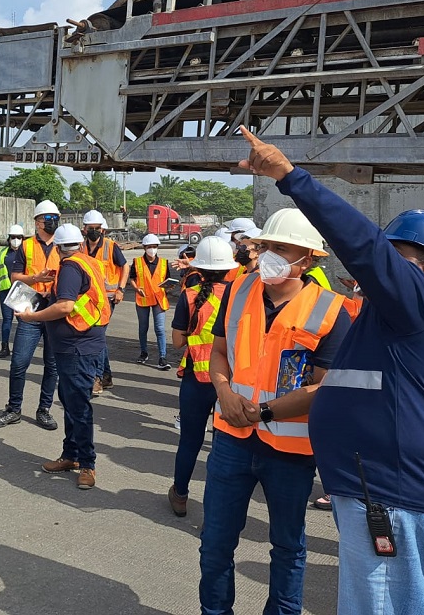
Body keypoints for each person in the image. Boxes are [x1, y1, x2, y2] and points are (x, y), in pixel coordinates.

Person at [239, 126, 424, 615]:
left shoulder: (417, 304)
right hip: (388, 500)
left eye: (398, 262)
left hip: (396, 503)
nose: (379, 274)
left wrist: (288, 175)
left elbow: (364, 246)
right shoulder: (397, 321)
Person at [200, 205, 350, 615]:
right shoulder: (236, 290)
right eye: (265, 245)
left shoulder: (331, 310)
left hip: (289, 452)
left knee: (287, 546)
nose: (268, 254)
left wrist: (264, 412)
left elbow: (326, 386)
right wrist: (224, 390)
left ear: (308, 259)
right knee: (215, 544)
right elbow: (218, 353)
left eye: (280, 248)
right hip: (231, 439)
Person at [21, 224, 111, 490]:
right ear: (80, 243)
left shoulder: (71, 267)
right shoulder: (85, 261)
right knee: (70, 401)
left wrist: (31, 317)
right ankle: (71, 455)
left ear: (58, 248)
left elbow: (66, 306)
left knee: (79, 406)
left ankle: (87, 464)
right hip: (78, 344)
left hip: (77, 346)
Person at [167, 236, 237, 517]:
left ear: (199, 267)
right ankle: (216, 509)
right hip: (230, 381)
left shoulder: (189, 295)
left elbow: (177, 342)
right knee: (225, 448)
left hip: (196, 378)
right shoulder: (239, 294)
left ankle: (180, 495)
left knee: (190, 441)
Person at [0, 200, 62, 430]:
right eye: (47, 219)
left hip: (54, 310)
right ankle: (14, 409)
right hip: (30, 308)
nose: (52, 223)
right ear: (37, 222)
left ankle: (44, 409)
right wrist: (35, 279)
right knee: (19, 362)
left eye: (55, 218)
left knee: (52, 365)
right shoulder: (26, 246)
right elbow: (15, 277)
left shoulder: (64, 245)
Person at [80, 210, 129, 394]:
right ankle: (106, 376)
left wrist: (121, 289)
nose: (94, 231)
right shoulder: (81, 247)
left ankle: (97, 378)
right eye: (90, 228)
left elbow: (125, 266)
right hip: (89, 299)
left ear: (103, 230)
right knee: (98, 336)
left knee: (96, 336)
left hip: (108, 298)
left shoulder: (110, 246)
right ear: (84, 229)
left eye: (97, 228)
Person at [128, 233, 171, 370]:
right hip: (143, 298)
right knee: (143, 327)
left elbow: (167, 280)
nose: (152, 249)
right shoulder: (137, 262)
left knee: (160, 329)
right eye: (149, 247)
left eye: (154, 246)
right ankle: (144, 352)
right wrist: (136, 289)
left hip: (159, 298)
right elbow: (132, 279)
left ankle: (162, 357)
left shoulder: (164, 263)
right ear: (144, 247)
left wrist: (169, 287)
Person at [0, 224, 24, 359]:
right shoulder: (2, 252)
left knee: (22, 320)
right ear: (9, 238)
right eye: (13, 237)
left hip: (21, 290)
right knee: (7, 320)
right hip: (6, 290)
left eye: (19, 237)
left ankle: (20, 348)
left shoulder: (26, 253)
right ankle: (5, 347)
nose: (16, 240)